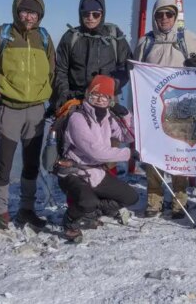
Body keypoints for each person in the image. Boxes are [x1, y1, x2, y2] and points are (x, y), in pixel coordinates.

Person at [133, 0, 196, 219]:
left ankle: (179, 200)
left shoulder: (188, 38)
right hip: (153, 110)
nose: (165, 18)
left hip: (181, 108)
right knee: (153, 156)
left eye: (169, 14)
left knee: (179, 154)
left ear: (175, 16)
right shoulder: (145, 43)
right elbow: (137, 72)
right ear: (154, 17)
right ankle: (154, 199)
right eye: (160, 14)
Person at [0, 0, 56, 230]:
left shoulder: (44, 38)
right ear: (17, 11)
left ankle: (27, 209)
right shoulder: (3, 34)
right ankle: (0, 213)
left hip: (36, 110)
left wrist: (53, 101)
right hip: (9, 108)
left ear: (40, 15)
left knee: (31, 164)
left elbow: (52, 72)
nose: (29, 17)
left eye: (34, 12)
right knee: (4, 163)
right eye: (25, 11)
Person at [57, 75, 138, 241]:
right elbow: (96, 152)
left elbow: (128, 136)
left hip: (97, 173)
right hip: (74, 172)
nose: (100, 99)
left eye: (105, 96)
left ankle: (91, 213)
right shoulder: (78, 118)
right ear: (88, 94)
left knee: (131, 197)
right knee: (88, 202)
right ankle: (70, 222)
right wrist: (128, 154)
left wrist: (126, 116)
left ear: (111, 99)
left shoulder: (107, 117)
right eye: (96, 95)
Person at [52, 0, 132, 111]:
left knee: (107, 130)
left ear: (102, 14)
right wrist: (64, 94)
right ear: (80, 14)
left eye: (96, 14)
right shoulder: (71, 37)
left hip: (106, 99)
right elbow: (61, 69)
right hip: (75, 100)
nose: (90, 18)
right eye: (86, 14)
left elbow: (125, 68)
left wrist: (108, 88)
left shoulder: (115, 37)